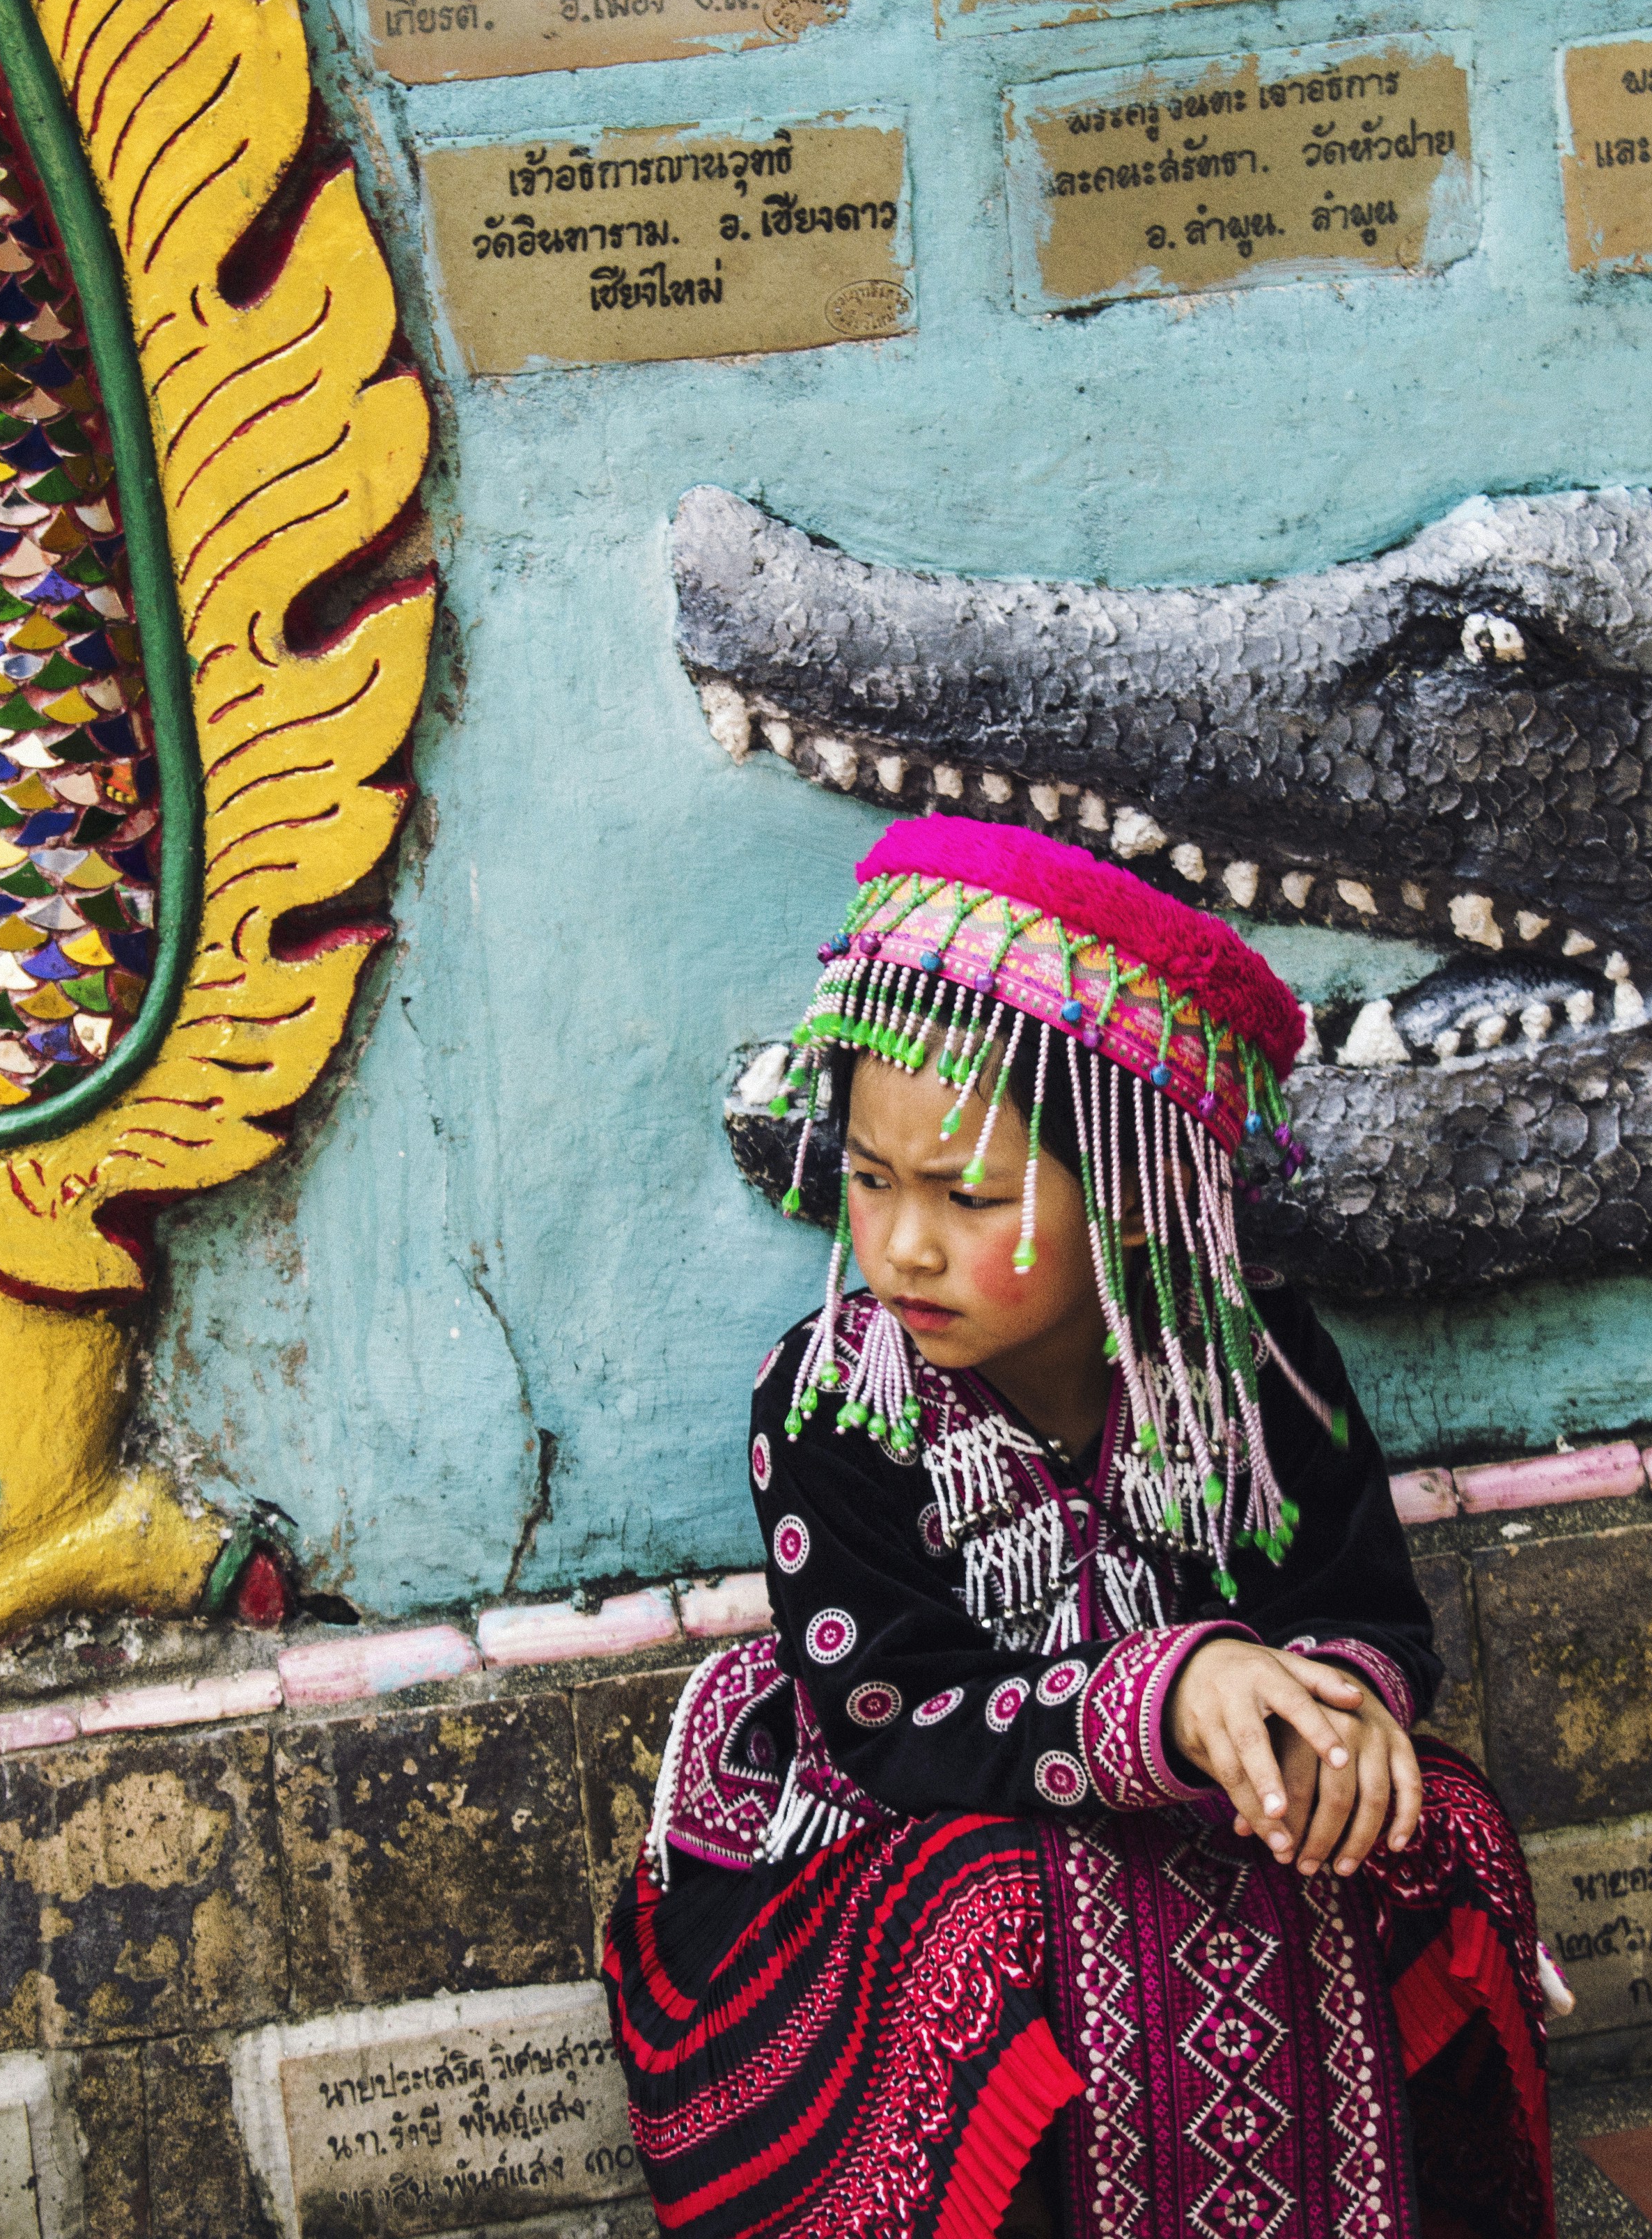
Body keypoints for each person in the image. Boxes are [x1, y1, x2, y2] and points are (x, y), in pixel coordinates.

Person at [603, 817, 1565, 2239]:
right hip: (918, 1823)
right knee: (994, 1915)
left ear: (1124, 1200)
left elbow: (1362, 1608)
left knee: (1441, 1826)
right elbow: (891, 1716)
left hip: (1219, 1814)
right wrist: (1163, 1698)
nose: (904, 1244)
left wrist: (1344, 1714)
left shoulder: (1257, 1373)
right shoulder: (831, 1402)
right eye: (872, 1179)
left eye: (968, 1194)